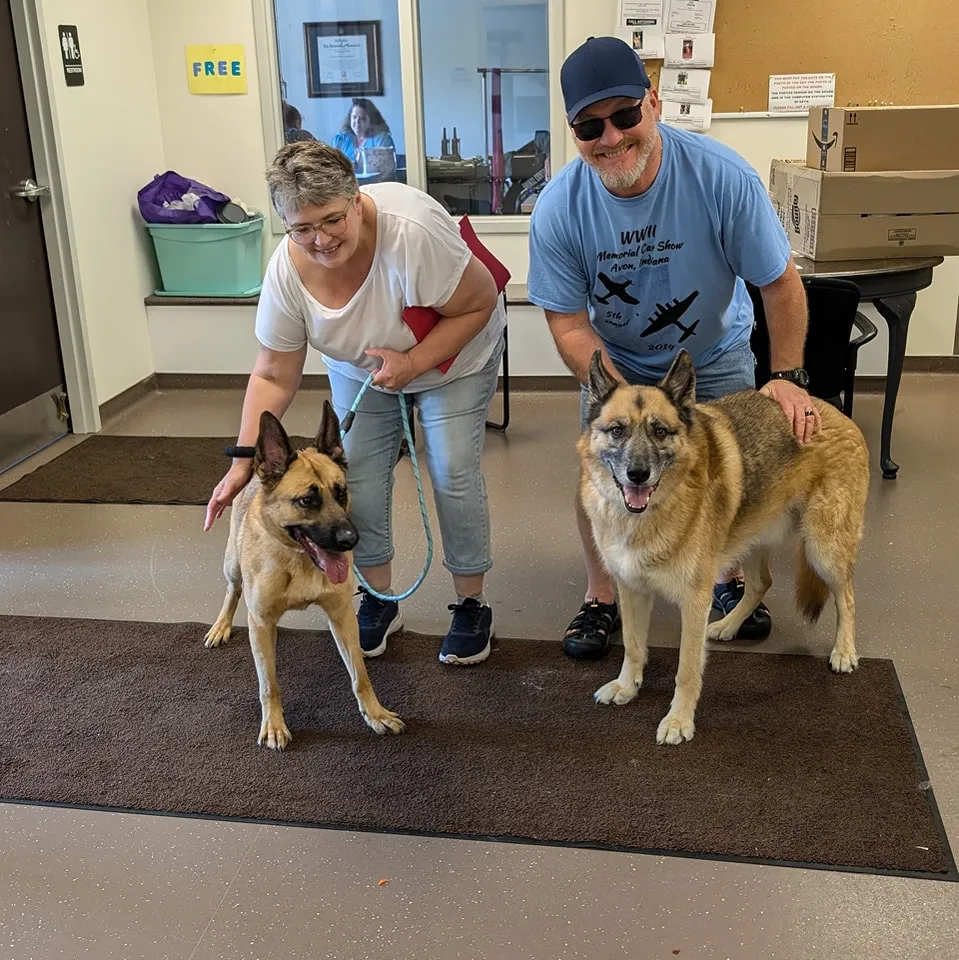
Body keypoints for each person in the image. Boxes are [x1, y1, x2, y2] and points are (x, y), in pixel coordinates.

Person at [527, 36, 820, 661]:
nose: (610, 138)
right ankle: (601, 591)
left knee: (713, 469)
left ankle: (722, 575)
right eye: (589, 126)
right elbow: (568, 323)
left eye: (625, 116)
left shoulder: (721, 177)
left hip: (713, 351)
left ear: (653, 104)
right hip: (618, 365)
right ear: (573, 131)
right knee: (603, 468)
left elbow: (779, 282)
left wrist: (789, 373)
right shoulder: (558, 209)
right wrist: (613, 391)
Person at [205, 141, 505, 665]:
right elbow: (273, 373)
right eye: (301, 228)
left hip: (455, 354)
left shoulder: (411, 233)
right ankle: (376, 598)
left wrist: (414, 364)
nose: (319, 239)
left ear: (356, 199)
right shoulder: (286, 271)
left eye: (331, 220)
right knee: (356, 475)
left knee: (453, 468)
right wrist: (241, 463)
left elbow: (478, 303)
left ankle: (471, 602)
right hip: (360, 366)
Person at [332, 98, 397, 179]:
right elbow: (331, 168)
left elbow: (387, 173)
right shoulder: (340, 139)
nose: (357, 122)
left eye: (362, 118)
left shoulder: (382, 139)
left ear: (372, 120)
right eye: (354, 117)